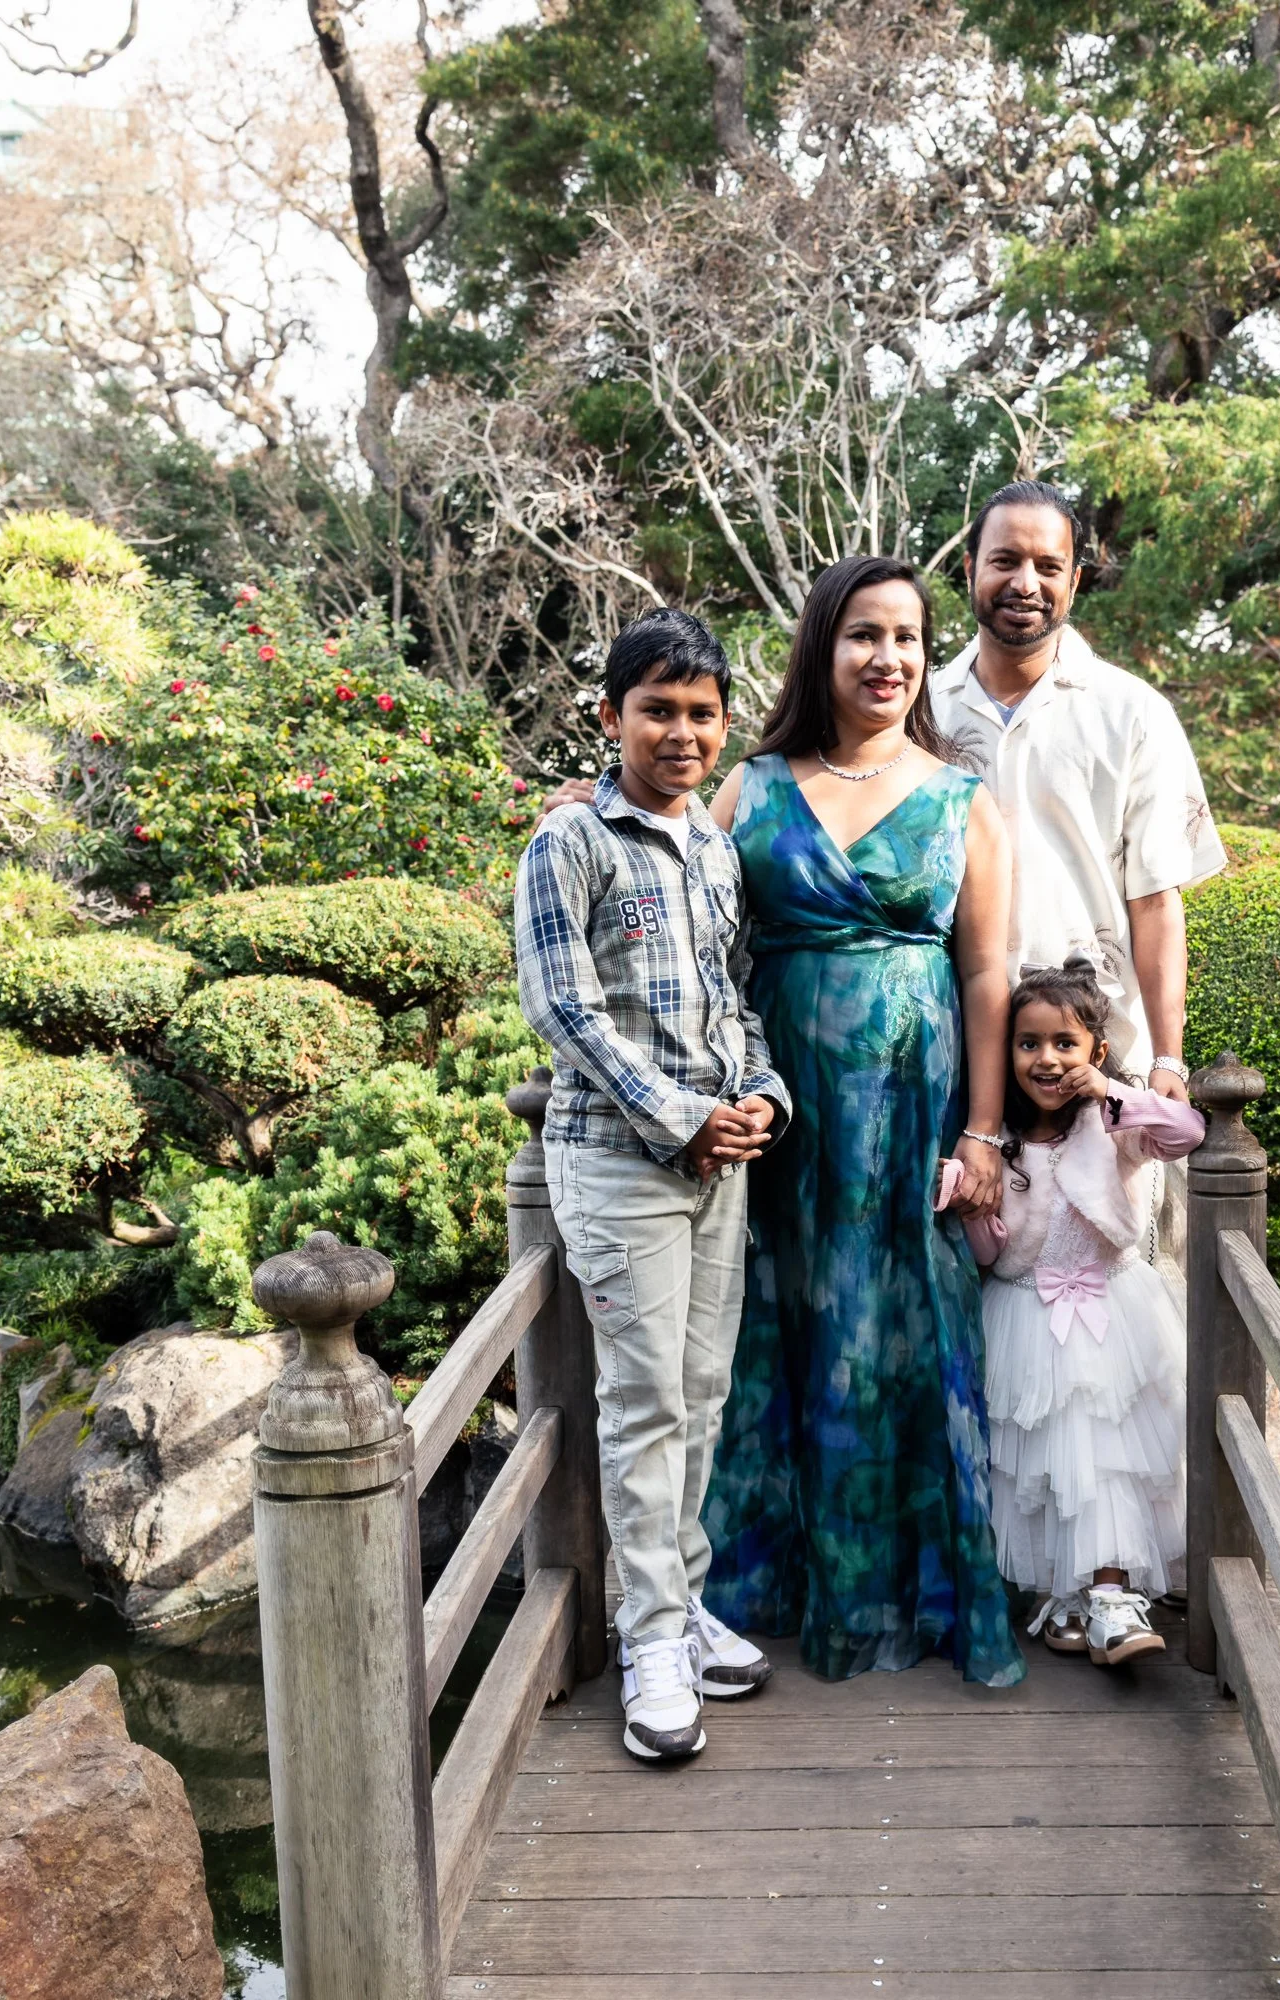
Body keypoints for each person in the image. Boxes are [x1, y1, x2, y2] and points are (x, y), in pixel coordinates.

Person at [697, 553, 1026, 1686]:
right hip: (780, 1108)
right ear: (822, 647)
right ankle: (772, 1589)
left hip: (912, 1111)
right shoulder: (752, 788)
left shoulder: (962, 798)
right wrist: (584, 808)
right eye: (863, 635)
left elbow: (985, 973)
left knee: (900, 1329)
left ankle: (903, 1594)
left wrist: (983, 1133)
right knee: (780, 1321)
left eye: (907, 638)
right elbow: (684, 914)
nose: (888, 657)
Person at [513, 607, 791, 1765]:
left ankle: (679, 1603)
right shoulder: (570, 842)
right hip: (621, 1161)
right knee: (644, 1403)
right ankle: (649, 1641)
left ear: (725, 722)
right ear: (610, 716)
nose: (681, 732)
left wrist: (761, 1093)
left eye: (701, 712)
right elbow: (564, 1007)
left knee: (702, 1392)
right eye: (657, 710)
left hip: (720, 1162)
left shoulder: (715, 850)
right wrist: (681, 1116)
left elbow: (734, 1000)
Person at [931, 480, 1227, 1142]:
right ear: (970, 567)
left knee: (1107, 1212)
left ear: (1075, 579)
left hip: (1100, 1053)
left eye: (1048, 565)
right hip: (950, 1049)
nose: (1025, 583)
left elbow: (1156, 897)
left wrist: (1168, 1059)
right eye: (1005, 560)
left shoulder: (1134, 713)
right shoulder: (921, 712)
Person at [944, 957, 1205, 1663]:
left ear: (1095, 1048)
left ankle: (1114, 1598)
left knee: (1109, 1457)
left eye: (1065, 1043)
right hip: (1027, 1316)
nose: (1048, 1059)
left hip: (1112, 1311)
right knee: (1042, 1469)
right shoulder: (998, 1144)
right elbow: (994, 1254)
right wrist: (971, 1206)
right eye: (1028, 1043)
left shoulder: (1112, 1122)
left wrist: (1113, 1089)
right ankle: (1063, 1592)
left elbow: (1186, 1133)